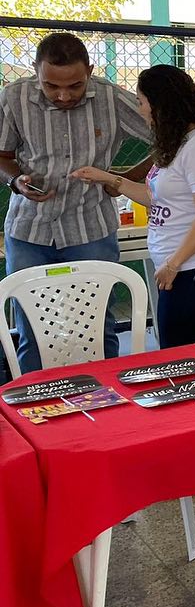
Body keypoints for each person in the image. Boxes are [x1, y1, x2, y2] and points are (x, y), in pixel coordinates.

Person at [0, 32, 152, 371]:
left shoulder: (112, 99)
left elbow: (172, 138)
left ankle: (104, 404)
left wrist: (128, 179)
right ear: (35, 71)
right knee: (33, 329)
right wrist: (15, 180)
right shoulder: (13, 97)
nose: (64, 95)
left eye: (75, 86)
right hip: (29, 231)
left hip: (91, 230)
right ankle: (39, 408)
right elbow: (2, 154)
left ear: (91, 71)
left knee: (97, 325)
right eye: (52, 86)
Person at [72, 66, 195, 349]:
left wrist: (174, 263)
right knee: (190, 347)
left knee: (178, 350)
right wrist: (108, 178)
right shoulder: (178, 144)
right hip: (181, 265)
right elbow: (157, 197)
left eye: (141, 101)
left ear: (160, 104)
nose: (140, 109)